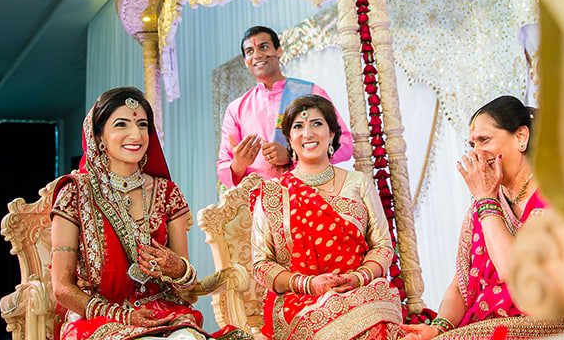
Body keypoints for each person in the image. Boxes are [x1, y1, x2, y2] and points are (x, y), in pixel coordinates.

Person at [50, 87, 250, 340]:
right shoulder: (75, 193)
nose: (135, 134)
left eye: (142, 125)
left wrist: (178, 269)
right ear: (99, 135)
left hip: (163, 314)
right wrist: (122, 316)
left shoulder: (166, 192)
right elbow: (61, 288)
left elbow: (187, 294)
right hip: (99, 318)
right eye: (121, 124)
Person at [400, 97, 564, 339]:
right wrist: (439, 327)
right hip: (484, 324)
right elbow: (461, 285)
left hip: (547, 320)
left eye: (484, 140)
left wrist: (485, 200)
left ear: (521, 138)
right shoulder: (484, 203)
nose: (476, 153)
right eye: (472, 144)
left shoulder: (555, 197)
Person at [249, 94, 402, 340]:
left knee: (377, 323)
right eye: (298, 126)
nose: (308, 133)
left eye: (317, 124)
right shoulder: (273, 194)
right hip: (301, 300)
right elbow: (261, 265)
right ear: (289, 138)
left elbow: (382, 245)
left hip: (363, 289)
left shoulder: (358, 182)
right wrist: (309, 285)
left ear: (331, 133)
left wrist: (358, 277)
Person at [217, 25, 353, 188]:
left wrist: (294, 155)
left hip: (310, 195)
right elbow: (224, 168)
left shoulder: (311, 92)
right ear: (246, 61)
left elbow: (345, 144)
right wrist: (238, 165)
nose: (257, 55)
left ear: (279, 51)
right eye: (250, 51)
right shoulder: (236, 109)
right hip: (259, 203)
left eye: (264, 47)